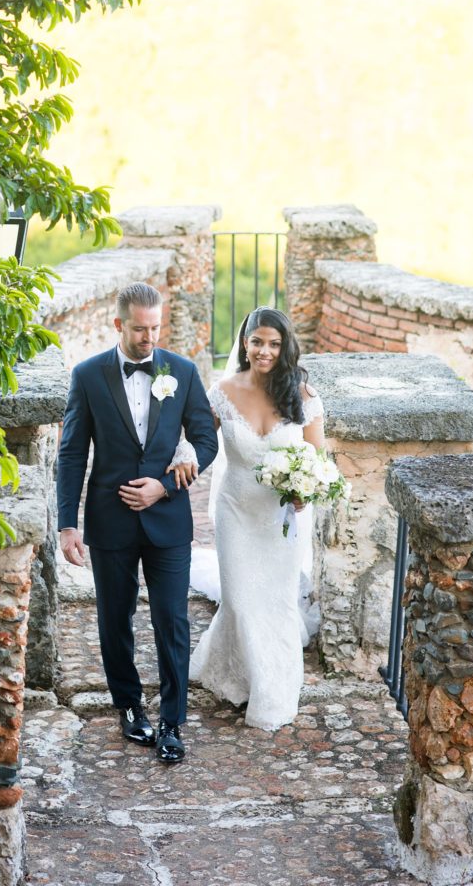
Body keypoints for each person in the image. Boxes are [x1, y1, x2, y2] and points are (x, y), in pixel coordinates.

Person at [57, 282, 218, 763]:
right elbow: (71, 453)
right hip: (109, 521)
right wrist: (68, 524)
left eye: (155, 328)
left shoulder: (183, 372)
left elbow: (206, 441)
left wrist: (166, 485)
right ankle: (129, 708)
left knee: (172, 619)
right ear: (118, 325)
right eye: (139, 329)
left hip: (168, 520)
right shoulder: (88, 376)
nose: (149, 338)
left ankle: (172, 720)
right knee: (115, 619)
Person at [188, 306, 325, 731]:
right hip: (236, 513)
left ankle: (272, 691)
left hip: (282, 518)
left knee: (278, 601)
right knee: (242, 600)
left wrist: (305, 490)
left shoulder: (301, 393)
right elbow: (199, 442)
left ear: (284, 347)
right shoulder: (222, 391)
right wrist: (181, 455)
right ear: (244, 344)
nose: (264, 351)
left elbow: (317, 457)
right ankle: (238, 674)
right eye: (256, 341)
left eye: (273, 343)